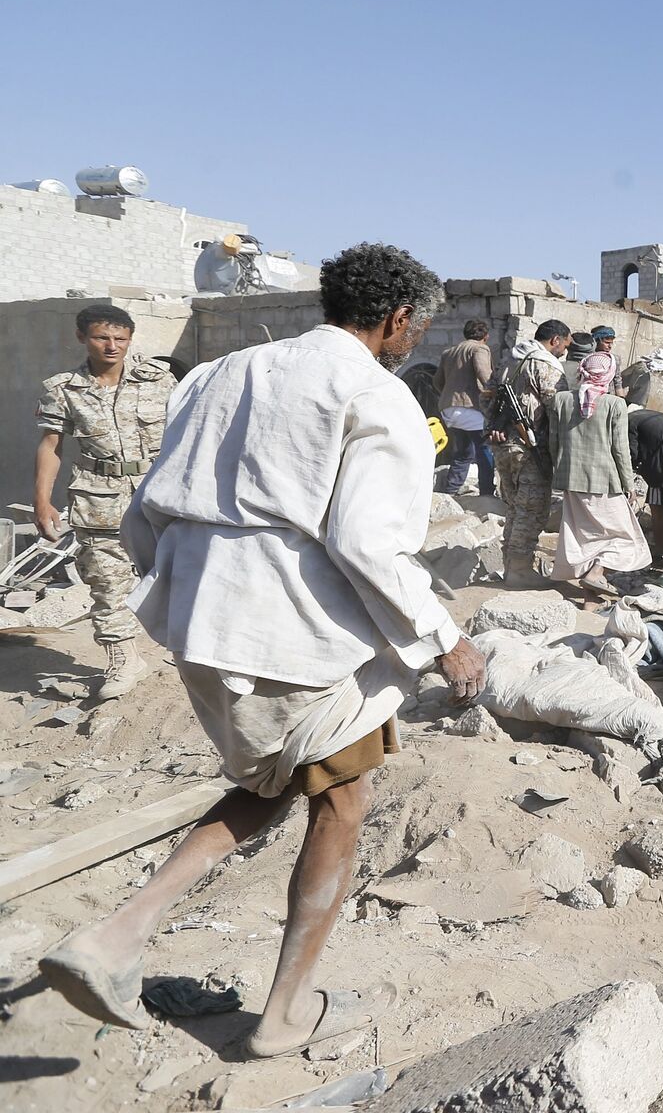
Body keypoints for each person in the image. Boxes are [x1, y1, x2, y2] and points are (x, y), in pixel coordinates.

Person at [38, 243, 485, 1059]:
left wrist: (186, 596)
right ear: (397, 320)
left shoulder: (221, 372)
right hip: (298, 636)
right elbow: (366, 543)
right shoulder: (375, 394)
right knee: (341, 801)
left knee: (272, 781)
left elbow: (145, 510)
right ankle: (283, 1014)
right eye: (416, 327)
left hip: (200, 619)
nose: (413, 340)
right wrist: (445, 640)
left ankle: (114, 938)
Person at [33, 304, 177, 699]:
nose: (112, 346)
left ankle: (191, 651)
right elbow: (51, 446)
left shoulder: (160, 380)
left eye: (120, 339)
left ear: (130, 340)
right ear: (82, 337)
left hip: (159, 491)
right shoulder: (63, 389)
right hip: (99, 495)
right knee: (106, 579)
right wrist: (42, 501)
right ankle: (124, 659)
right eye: (101, 337)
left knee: (183, 569)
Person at [549, 352, 650, 594]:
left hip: (571, 481)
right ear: (609, 374)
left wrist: (559, 471)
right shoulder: (615, 404)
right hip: (604, 482)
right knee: (626, 537)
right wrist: (629, 484)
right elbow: (620, 449)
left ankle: (590, 597)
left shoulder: (561, 400)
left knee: (584, 537)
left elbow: (553, 442)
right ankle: (596, 573)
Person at [499, 318, 571, 585]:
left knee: (514, 508)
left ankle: (510, 566)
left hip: (504, 446)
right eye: (565, 345)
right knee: (531, 510)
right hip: (530, 448)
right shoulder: (545, 364)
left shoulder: (510, 359)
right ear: (555, 340)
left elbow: (488, 395)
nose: (564, 351)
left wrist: (494, 430)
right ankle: (519, 570)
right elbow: (557, 407)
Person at [435, 319, 495, 497]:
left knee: (463, 452)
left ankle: (451, 491)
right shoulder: (479, 349)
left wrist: (449, 395)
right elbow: (485, 376)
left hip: (448, 409)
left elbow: (437, 381)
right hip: (469, 407)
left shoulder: (449, 352)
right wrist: (494, 393)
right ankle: (487, 493)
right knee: (485, 449)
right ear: (486, 336)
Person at [628, 405, 663, 551]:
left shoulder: (629, 421)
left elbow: (632, 453)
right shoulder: (646, 415)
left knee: (657, 509)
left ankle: (660, 550)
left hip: (661, 463)